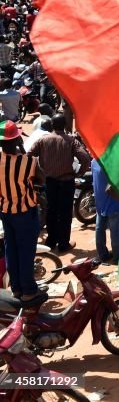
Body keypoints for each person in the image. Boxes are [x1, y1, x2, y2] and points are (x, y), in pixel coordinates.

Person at [26, 113, 91, 254]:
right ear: (64, 125)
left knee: (51, 211)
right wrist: (78, 173)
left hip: (49, 181)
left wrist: (38, 172)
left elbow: (29, 154)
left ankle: (51, 240)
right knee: (65, 213)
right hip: (67, 181)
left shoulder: (43, 140)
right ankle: (63, 244)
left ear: (52, 125)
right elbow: (85, 158)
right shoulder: (71, 140)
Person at [0, 121, 43, 304]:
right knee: (26, 251)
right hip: (25, 213)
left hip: (5, 212)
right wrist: (22, 149)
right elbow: (41, 177)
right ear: (17, 139)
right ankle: (29, 290)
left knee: (12, 249)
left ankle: (16, 288)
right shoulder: (28, 162)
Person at [91, 159, 119, 265]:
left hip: (100, 202)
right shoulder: (114, 161)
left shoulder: (94, 161)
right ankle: (117, 256)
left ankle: (103, 255)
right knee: (115, 232)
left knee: (99, 229)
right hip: (114, 203)